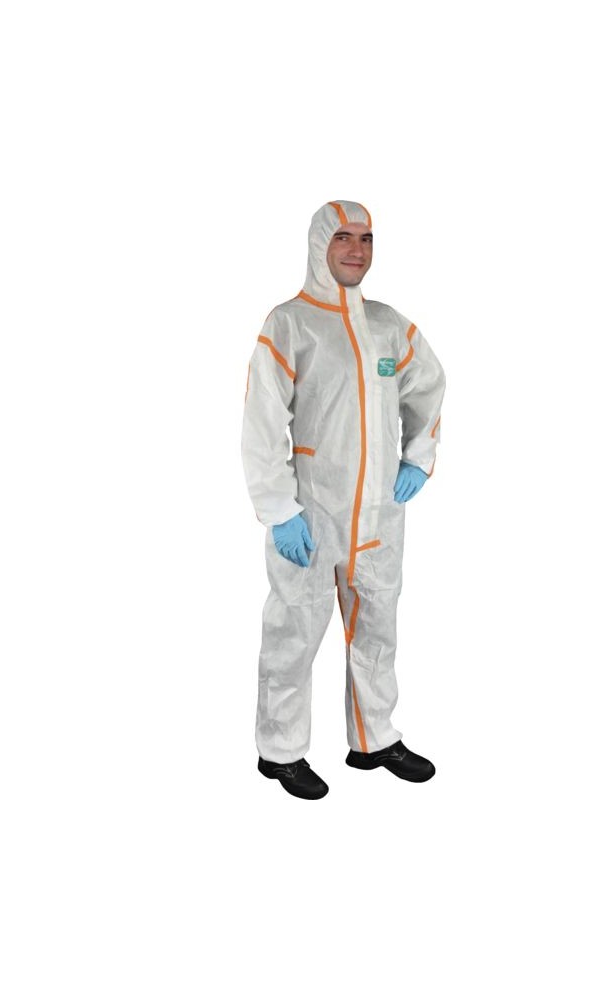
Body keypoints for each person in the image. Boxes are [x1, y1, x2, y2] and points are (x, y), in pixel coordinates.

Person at [242, 200, 445, 800]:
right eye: (344, 238)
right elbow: (262, 423)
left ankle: (374, 738)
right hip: (312, 514)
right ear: (319, 244)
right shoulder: (290, 323)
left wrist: (418, 458)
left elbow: (429, 386)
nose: (357, 249)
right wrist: (280, 510)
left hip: (379, 516)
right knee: (294, 634)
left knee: (378, 630)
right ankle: (281, 751)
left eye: (367, 238)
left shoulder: (388, 325)